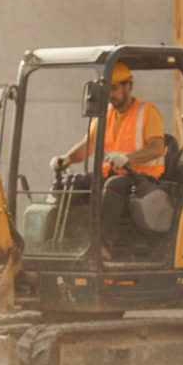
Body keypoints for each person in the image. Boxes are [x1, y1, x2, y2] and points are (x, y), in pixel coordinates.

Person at [50, 62, 166, 257]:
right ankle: (66, 241)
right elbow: (88, 145)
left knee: (114, 185)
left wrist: (127, 158)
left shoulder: (147, 112)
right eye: (108, 90)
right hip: (113, 173)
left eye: (114, 88)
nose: (111, 95)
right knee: (75, 183)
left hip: (142, 178)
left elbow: (157, 148)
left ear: (128, 86)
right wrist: (66, 159)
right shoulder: (105, 115)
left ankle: (101, 246)